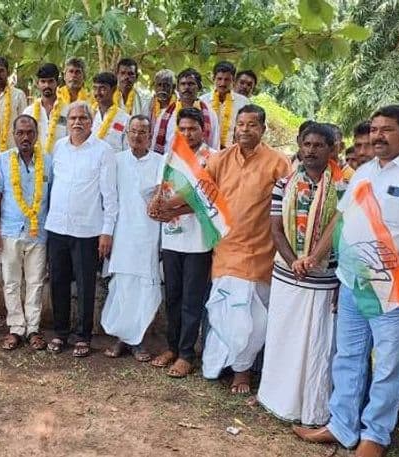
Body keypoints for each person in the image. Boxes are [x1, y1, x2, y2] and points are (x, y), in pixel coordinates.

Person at [292, 105, 399, 457]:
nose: (378, 135)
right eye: (375, 129)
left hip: (396, 289)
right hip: (353, 283)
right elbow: (340, 220)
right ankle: (341, 425)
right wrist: (316, 257)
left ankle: (375, 437)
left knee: (389, 363)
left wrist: (393, 265)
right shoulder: (363, 174)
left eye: (387, 129)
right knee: (348, 355)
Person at [258, 123, 344, 426]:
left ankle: (312, 408)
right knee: (285, 336)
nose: (310, 151)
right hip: (288, 274)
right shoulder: (285, 183)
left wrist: (313, 260)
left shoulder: (344, 186)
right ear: (299, 145)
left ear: (332, 149)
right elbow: (275, 228)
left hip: (324, 278)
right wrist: (295, 261)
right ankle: (277, 398)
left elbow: (340, 228)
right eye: (306, 144)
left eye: (319, 145)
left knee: (316, 343)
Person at [201, 104, 291, 394]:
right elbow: (198, 192)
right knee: (226, 313)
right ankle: (225, 364)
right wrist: (166, 206)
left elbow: (290, 209)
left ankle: (243, 372)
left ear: (263, 129)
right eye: (240, 124)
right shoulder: (220, 159)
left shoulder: (278, 163)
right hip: (225, 250)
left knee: (253, 320)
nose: (245, 130)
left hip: (259, 253)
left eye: (252, 125)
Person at [148, 108, 226, 377]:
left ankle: (186, 354)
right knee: (173, 297)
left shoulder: (212, 158)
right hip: (171, 238)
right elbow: (160, 189)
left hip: (199, 241)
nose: (187, 133)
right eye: (182, 128)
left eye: (192, 128)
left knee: (192, 300)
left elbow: (207, 199)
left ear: (203, 130)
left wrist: (170, 208)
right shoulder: (170, 156)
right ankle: (172, 346)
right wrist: (155, 206)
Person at [45, 101, 117, 357]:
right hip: (56, 227)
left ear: (91, 122)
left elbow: (110, 197)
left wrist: (107, 231)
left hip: (88, 230)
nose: (77, 122)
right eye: (72, 118)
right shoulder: (59, 148)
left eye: (82, 118)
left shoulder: (103, 151)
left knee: (86, 285)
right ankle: (60, 332)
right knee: (58, 282)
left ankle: (82, 336)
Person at [101, 114, 162, 361]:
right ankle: (121, 339)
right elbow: (110, 200)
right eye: (133, 131)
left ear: (150, 136)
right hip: (122, 233)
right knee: (122, 287)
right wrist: (108, 232)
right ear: (126, 134)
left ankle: (140, 341)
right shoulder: (116, 161)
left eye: (142, 132)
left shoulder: (160, 162)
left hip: (149, 235)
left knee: (146, 289)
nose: (137, 136)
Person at [0, 115, 51, 350]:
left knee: (36, 282)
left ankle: (34, 329)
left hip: (39, 231)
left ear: (36, 135)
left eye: (29, 132)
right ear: (14, 135)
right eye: (20, 132)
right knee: (11, 282)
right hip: (10, 229)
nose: (25, 137)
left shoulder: (48, 161)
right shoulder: (3, 161)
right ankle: (16, 328)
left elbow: (54, 196)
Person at [200, 61, 250, 149]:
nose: (222, 83)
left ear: (233, 80)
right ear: (213, 78)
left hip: (233, 151)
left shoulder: (243, 102)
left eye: (227, 79)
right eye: (219, 79)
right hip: (207, 151)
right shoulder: (202, 101)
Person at [22, 63, 67, 157]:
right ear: (37, 84)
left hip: (62, 162)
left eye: (51, 81)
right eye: (43, 81)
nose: (47, 85)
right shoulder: (28, 113)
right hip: (36, 164)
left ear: (57, 82)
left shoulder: (68, 111)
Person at [91, 71, 131, 153]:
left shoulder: (125, 119)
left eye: (102, 88)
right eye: (95, 88)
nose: (97, 93)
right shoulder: (88, 115)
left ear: (113, 89)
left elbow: (127, 150)